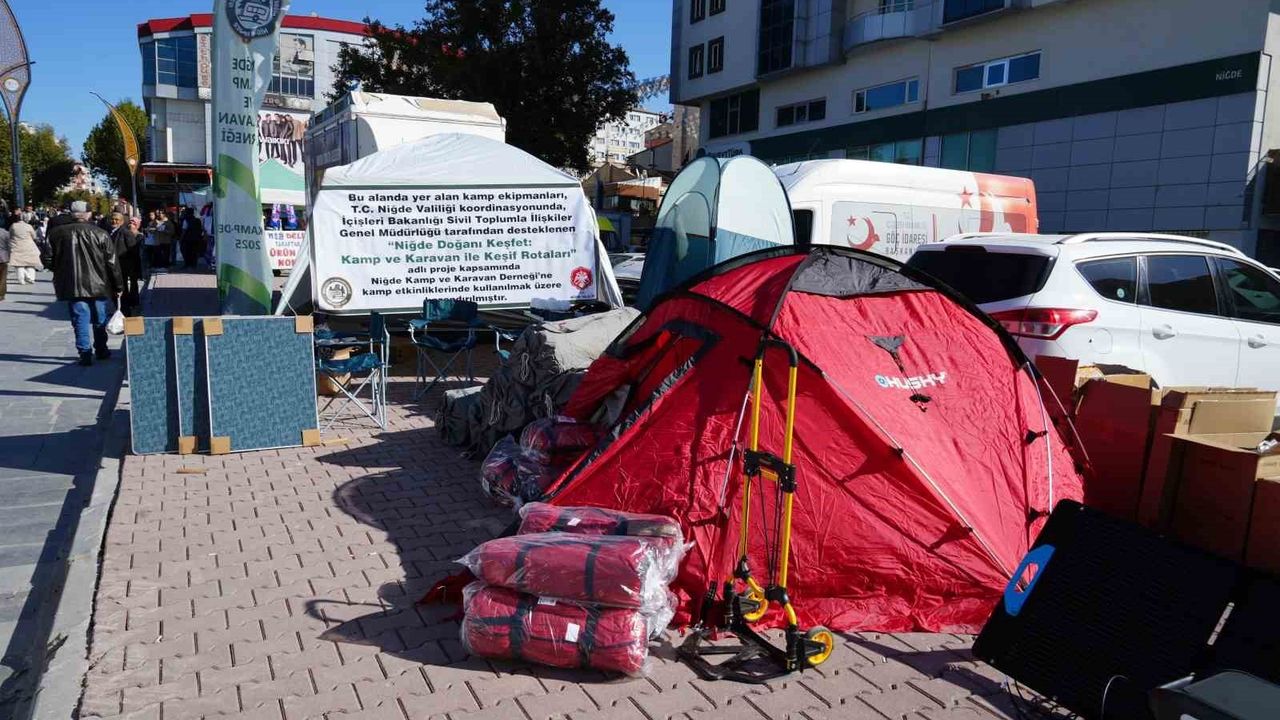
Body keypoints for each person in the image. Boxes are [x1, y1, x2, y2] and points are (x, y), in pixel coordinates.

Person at [43, 201, 122, 365]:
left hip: (72, 284)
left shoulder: (56, 233)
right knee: (100, 317)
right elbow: (112, 262)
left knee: (80, 318)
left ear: (72, 214)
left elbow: (47, 258)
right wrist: (119, 285)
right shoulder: (100, 233)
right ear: (88, 214)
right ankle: (101, 349)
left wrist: (60, 269)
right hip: (99, 283)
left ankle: (84, 353)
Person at [111, 212, 143, 315]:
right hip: (118, 265)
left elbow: (133, 250)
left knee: (124, 287)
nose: (114, 221)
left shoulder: (125, 232)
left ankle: (126, 310)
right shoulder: (113, 232)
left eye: (117, 220)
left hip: (125, 265)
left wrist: (133, 267)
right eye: (113, 219)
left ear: (122, 221)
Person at [8, 211, 42, 285]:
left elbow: (10, 235)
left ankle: (22, 280)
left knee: (19, 264)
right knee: (31, 263)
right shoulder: (28, 226)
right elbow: (34, 236)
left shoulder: (13, 225)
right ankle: (31, 278)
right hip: (29, 246)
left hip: (16, 246)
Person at [179, 206, 205, 271]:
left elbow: (184, 231)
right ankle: (193, 265)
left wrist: (181, 239)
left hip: (187, 239)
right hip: (196, 239)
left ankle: (187, 264)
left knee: (186, 252)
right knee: (194, 253)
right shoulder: (198, 220)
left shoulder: (186, 220)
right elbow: (201, 229)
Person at [0, 220, 9, 301]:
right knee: (3, 277)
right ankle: (1, 295)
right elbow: (9, 245)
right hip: (3, 258)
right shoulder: (5, 233)